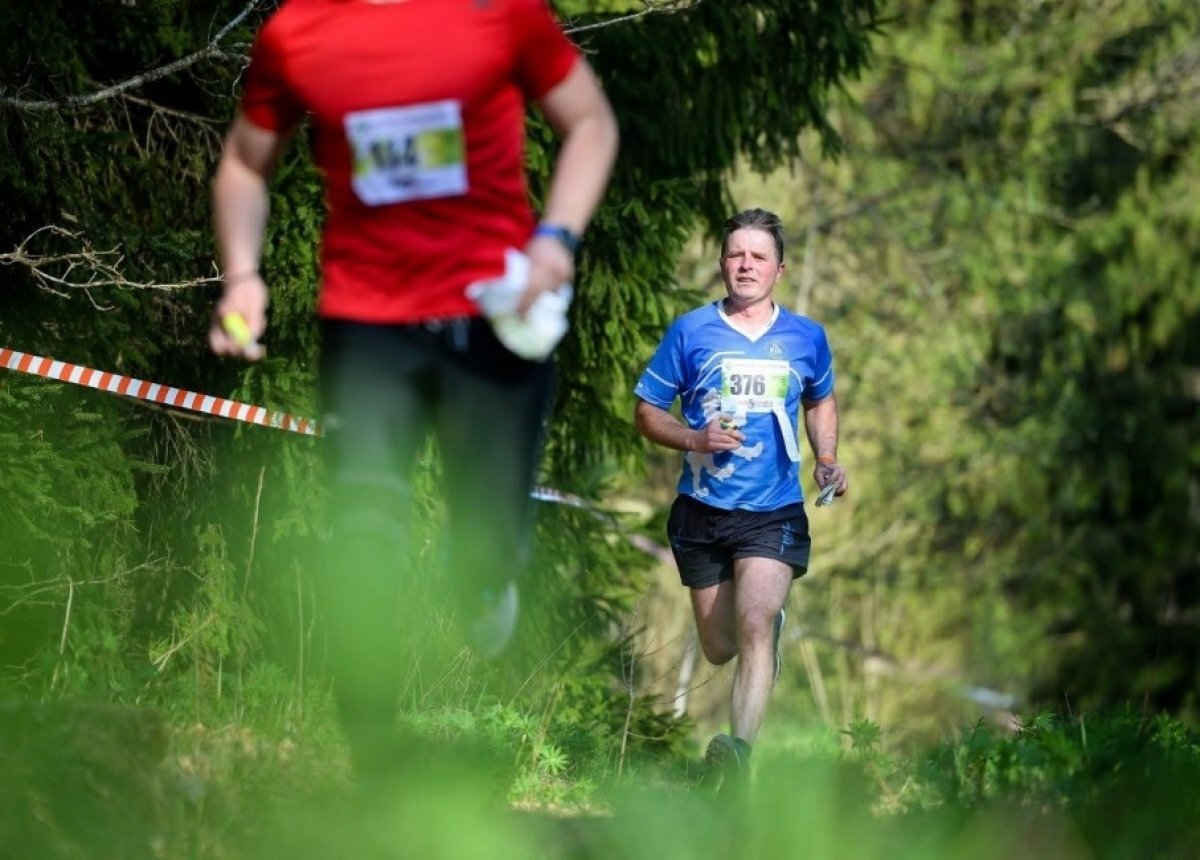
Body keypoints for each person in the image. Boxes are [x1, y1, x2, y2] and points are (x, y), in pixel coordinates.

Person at [207, 0, 618, 779]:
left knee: (484, 551)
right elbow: (245, 162)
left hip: (494, 315)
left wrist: (556, 238)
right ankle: (374, 761)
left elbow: (590, 123)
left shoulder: (501, 13)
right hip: (367, 324)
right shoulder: (299, 31)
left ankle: (487, 577)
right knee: (364, 527)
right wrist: (242, 275)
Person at [632, 208, 846, 790]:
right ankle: (759, 634)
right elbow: (647, 412)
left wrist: (826, 457)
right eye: (736, 254)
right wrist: (694, 437)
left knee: (755, 622)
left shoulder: (807, 337)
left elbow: (820, 400)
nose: (745, 264)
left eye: (758, 256)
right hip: (701, 512)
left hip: (773, 512)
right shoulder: (690, 332)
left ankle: (736, 762)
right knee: (721, 645)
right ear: (723, 263)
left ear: (779, 269)